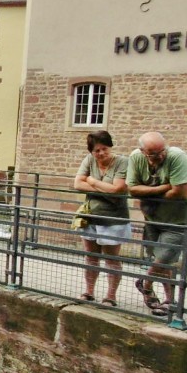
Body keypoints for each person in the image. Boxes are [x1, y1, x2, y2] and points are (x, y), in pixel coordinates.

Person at [127, 132, 187, 320]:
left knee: (163, 258)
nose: (160, 156)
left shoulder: (177, 157)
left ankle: (145, 283)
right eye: (154, 154)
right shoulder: (135, 158)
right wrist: (164, 187)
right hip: (152, 217)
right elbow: (132, 188)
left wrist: (147, 193)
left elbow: (181, 192)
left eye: (162, 151)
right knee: (163, 261)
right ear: (143, 152)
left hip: (177, 220)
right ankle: (170, 300)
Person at [73, 131, 132, 306]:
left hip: (113, 218)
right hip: (90, 215)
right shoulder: (89, 160)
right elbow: (77, 184)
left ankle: (110, 296)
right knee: (91, 257)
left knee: (112, 259)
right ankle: (89, 292)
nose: (100, 154)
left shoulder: (123, 162)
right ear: (91, 151)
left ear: (110, 147)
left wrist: (92, 181)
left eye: (104, 149)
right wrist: (104, 188)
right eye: (96, 150)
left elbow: (118, 189)